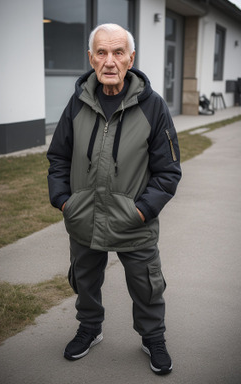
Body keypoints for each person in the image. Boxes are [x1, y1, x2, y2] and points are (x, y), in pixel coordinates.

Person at [47, 23, 181, 376]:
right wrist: (64, 201)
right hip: (84, 217)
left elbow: (168, 171)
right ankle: (90, 328)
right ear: (90, 59)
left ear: (130, 58)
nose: (110, 61)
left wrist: (141, 210)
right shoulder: (77, 103)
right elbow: (58, 157)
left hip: (133, 221)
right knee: (85, 281)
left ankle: (153, 337)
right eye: (102, 53)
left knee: (146, 284)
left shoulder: (153, 107)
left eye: (118, 52)